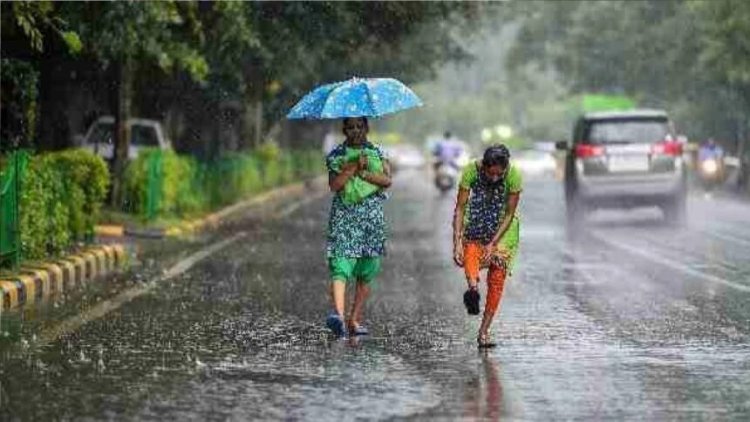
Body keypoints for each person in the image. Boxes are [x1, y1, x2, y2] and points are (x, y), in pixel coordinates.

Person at [325, 116, 392, 337]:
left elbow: (386, 181)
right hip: (344, 218)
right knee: (340, 264)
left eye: (359, 126)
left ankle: (354, 319)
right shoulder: (336, 155)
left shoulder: (378, 152)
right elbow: (335, 186)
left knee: (366, 271)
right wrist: (351, 168)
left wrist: (364, 172)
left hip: (371, 220)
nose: (355, 131)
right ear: (344, 129)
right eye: (350, 127)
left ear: (367, 128)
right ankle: (338, 315)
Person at [452, 145, 522, 348]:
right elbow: (461, 207)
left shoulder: (514, 175)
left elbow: (509, 214)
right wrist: (456, 242)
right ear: (483, 166)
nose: (494, 178)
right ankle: (473, 289)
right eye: (490, 173)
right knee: (471, 253)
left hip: (504, 228)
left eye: (499, 174)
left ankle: (483, 332)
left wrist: (493, 244)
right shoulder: (470, 171)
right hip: (476, 221)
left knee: (497, 276)